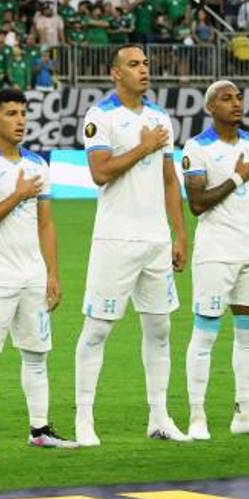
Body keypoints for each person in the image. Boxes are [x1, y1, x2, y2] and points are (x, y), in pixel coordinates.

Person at [74, 44, 188, 446]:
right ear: (115, 73)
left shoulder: (159, 119)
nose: (144, 70)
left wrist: (179, 232)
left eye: (146, 64)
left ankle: (159, 418)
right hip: (115, 239)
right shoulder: (100, 116)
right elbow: (100, 172)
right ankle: (84, 420)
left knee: (160, 328)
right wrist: (143, 146)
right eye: (134, 65)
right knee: (98, 329)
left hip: (155, 239)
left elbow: (170, 179)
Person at [0, 88, 75, 453]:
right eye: (11, 113)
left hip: (32, 276)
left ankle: (40, 429)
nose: (21, 119)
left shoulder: (38, 165)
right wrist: (19, 194)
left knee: (37, 354)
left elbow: (46, 224)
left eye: (24, 113)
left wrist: (52, 273)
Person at [181, 82, 249, 439]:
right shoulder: (196, 148)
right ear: (210, 107)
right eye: (227, 98)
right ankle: (196, 417)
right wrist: (238, 176)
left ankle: (245, 414)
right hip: (215, 253)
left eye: (239, 97)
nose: (236, 103)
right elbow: (196, 204)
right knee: (205, 333)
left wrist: (245, 213)